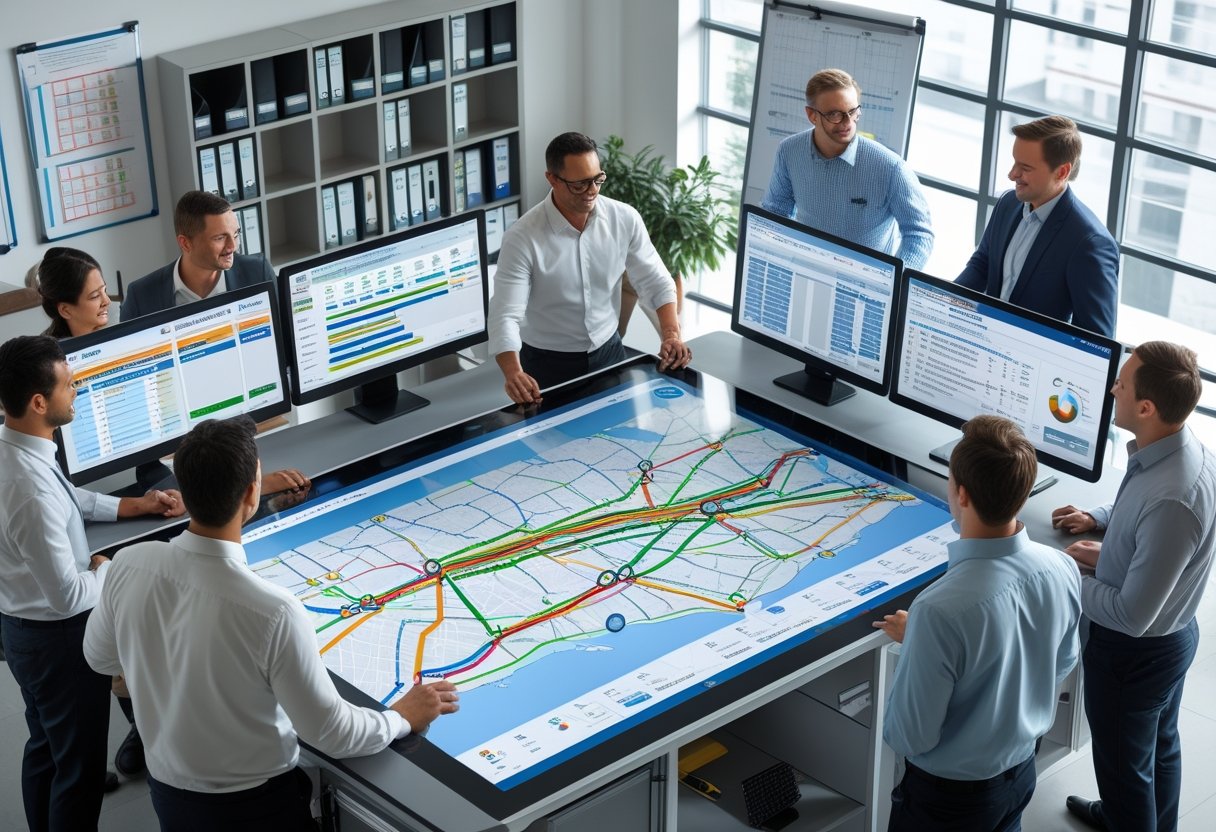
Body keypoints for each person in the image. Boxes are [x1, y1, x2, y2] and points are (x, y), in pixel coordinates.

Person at [83, 416, 459, 831]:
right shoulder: (273, 611)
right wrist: (402, 716)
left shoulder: (129, 564)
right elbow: (331, 733)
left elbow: (99, 659)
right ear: (250, 495)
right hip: (256, 811)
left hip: (170, 799)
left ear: (183, 493)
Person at [0, 334, 185, 832]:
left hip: (22, 628)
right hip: (57, 638)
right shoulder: (28, 490)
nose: (77, 391)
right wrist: (107, 570)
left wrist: (136, 505)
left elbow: (69, 498)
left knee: (45, 747)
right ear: (39, 402)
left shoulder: (17, 446)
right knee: (79, 772)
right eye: (69, 385)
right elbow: (65, 595)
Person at [874, 414, 1081, 831]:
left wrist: (919, 645)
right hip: (1021, 772)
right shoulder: (1061, 566)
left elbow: (909, 736)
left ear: (961, 494)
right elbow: (1061, 663)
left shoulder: (938, 610)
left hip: (947, 802)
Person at [1052, 341, 1215, 832]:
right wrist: (1098, 519)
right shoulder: (1173, 450)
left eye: (1122, 382)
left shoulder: (1173, 500)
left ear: (1145, 407)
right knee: (1158, 750)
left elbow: (1130, 614)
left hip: (1134, 654)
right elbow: (1141, 512)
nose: (1113, 387)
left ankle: (1127, 818)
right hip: (1168, 638)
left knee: (1124, 771)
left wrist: (1066, 574)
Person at [489, 131, 691, 405]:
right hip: (547, 366)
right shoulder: (522, 238)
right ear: (552, 179)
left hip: (610, 353)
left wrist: (671, 335)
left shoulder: (624, 218)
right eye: (580, 184)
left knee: (623, 439)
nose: (592, 191)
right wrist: (513, 373)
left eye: (598, 180)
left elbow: (656, 281)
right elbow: (505, 316)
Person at [956, 115, 1119, 337]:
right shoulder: (1008, 203)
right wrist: (945, 299)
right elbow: (982, 264)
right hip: (985, 342)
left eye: (1025, 167)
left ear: (1061, 172)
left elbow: (1096, 340)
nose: (1012, 174)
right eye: (1014, 162)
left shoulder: (1090, 243)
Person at [761, 68, 933, 270]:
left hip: (866, 287)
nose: (848, 123)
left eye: (853, 111)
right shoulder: (789, 151)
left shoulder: (891, 168)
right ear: (812, 115)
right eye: (835, 114)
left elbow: (919, 234)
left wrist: (893, 281)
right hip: (806, 273)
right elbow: (775, 214)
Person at [120, 190, 274, 322]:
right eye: (220, 238)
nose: (232, 247)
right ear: (185, 243)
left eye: (236, 234)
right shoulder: (140, 297)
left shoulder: (258, 273)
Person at [35, 248, 112, 338]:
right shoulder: (53, 351)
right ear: (65, 310)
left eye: (104, 290)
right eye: (95, 296)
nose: (107, 301)